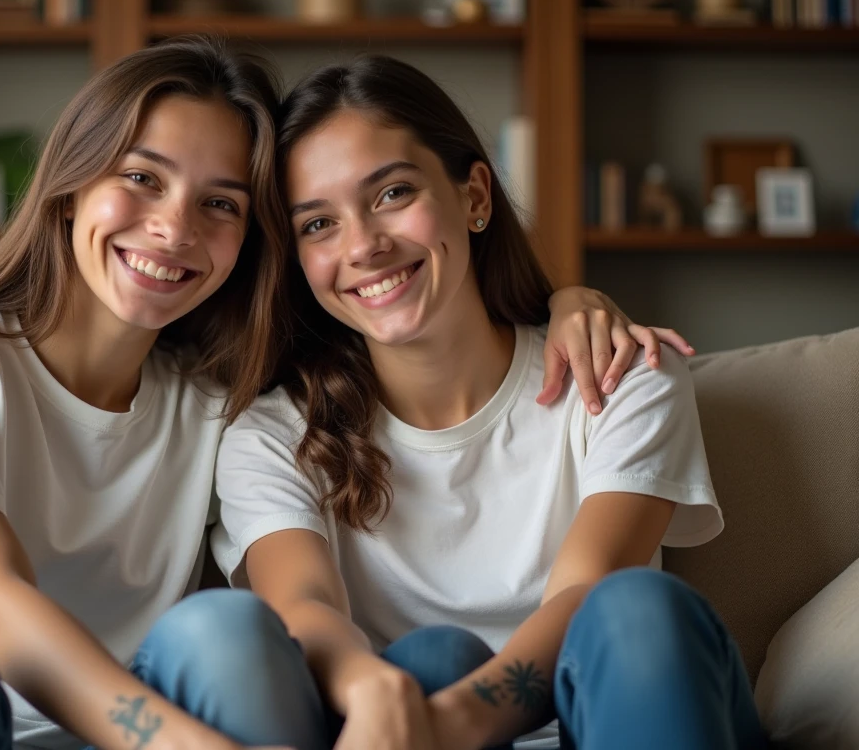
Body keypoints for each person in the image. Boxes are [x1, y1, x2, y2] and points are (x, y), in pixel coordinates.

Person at [0, 39, 687, 750]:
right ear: (67, 190)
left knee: (233, 629)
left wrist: (574, 301)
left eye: (221, 204)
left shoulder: (221, 399)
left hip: (123, 734)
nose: (173, 226)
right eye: (140, 178)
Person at [211, 55, 765, 750]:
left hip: (612, 720)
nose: (364, 245)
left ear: (475, 196)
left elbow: (588, 589)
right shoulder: (272, 434)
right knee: (429, 660)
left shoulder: (623, 373)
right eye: (318, 225)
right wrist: (390, 706)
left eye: (391, 194)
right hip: (405, 723)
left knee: (639, 606)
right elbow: (301, 606)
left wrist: (453, 724)